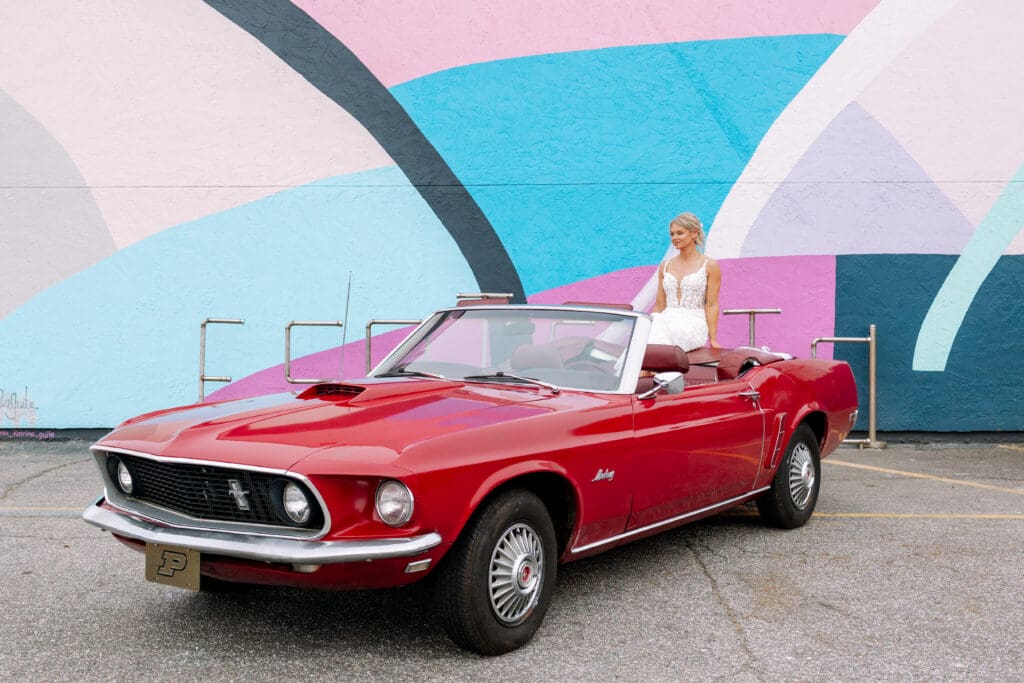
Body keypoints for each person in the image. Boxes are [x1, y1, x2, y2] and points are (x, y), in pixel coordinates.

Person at [649, 212, 721, 350]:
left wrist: (713, 339)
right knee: (653, 325)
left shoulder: (710, 265)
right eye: (672, 234)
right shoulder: (665, 266)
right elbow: (659, 305)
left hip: (693, 323)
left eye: (679, 233)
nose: (674, 238)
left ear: (694, 233)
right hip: (665, 321)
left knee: (653, 339)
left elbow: (711, 304)